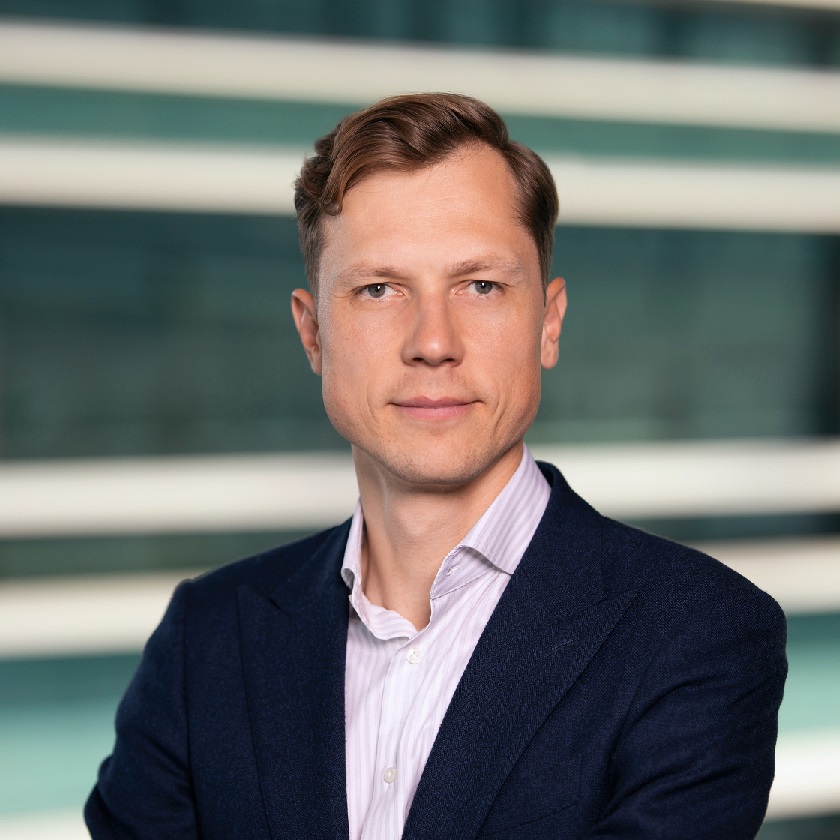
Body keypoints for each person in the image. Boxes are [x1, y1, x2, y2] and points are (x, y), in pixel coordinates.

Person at [85, 93, 787, 840]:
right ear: (313, 333)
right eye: (379, 289)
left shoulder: (701, 634)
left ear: (548, 324)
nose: (433, 343)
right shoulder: (206, 639)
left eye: (480, 286)